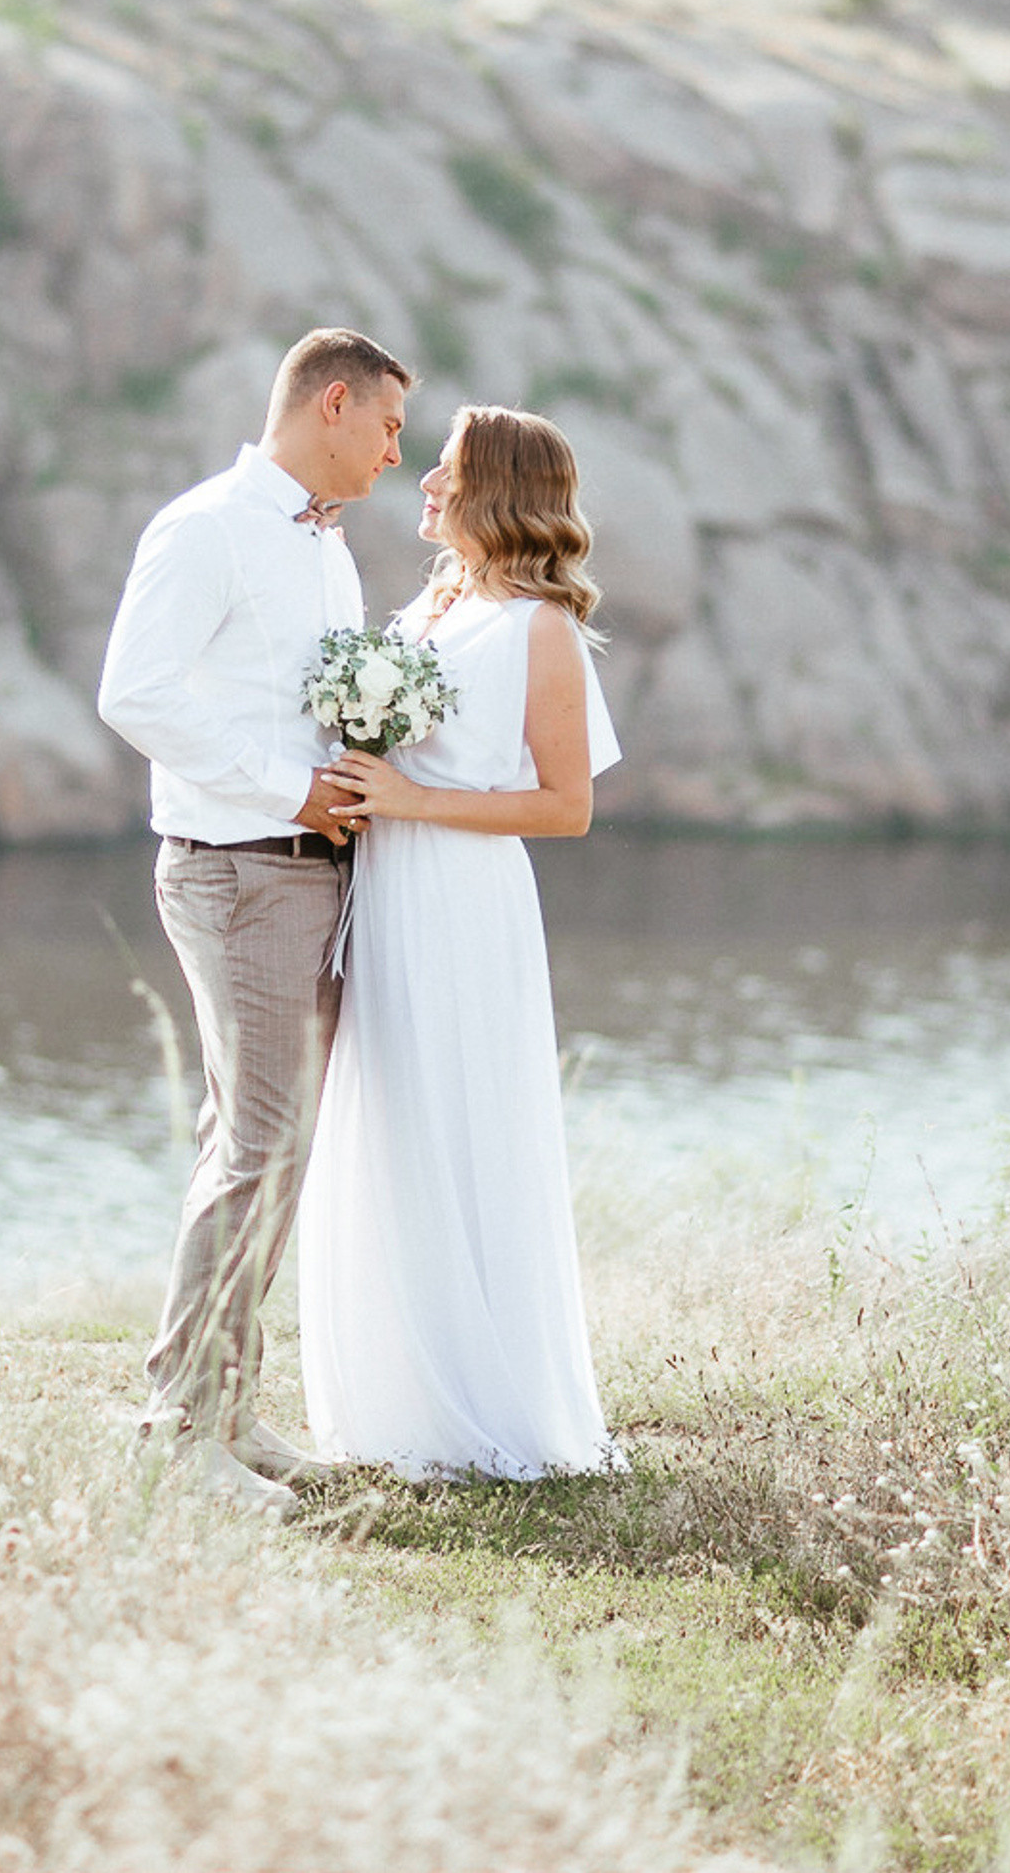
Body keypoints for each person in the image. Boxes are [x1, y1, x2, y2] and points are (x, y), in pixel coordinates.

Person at [96, 327, 413, 1514]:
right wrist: (289, 791)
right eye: (387, 426)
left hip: (309, 875)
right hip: (234, 872)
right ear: (333, 402)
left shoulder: (326, 550)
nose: (395, 453)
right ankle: (177, 1431)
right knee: (260, 1145)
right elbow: (133, 693)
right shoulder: (206, 527)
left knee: (260, 1140)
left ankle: (225, 1406)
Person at [300, 403, 623, 1479]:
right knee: (393, 1121)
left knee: (459, 1121)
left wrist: (408, 801)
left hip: (464, 901)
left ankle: (487, 1405)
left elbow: (566, 806)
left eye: (445, 469)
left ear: (497, 491)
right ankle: (396, 1396)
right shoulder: (433, 606)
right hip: (389, 890)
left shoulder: (539, 628)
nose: (427, 484)